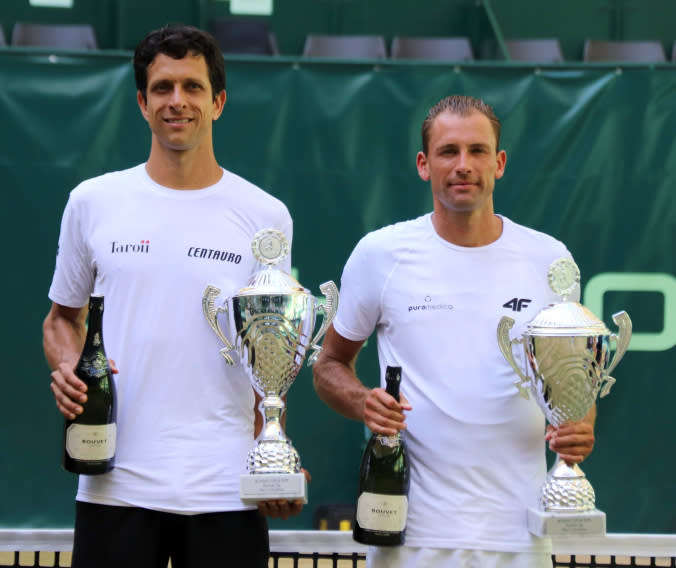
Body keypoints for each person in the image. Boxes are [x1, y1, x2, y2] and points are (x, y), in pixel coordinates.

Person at [43, 24, 304, 568]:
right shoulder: (92, 202)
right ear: (142, 103)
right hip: (114, 485)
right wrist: (71, 366)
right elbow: (61, 318)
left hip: (224, 490)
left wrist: (271, 455)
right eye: (162, 88)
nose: (177, 102)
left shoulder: (265, 216)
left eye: (192, 87)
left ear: (219, 101)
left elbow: (268, 355)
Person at [312, 95, 596, 568]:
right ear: (424, 164)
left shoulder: (550, 260)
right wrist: (364, 402)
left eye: (478, 151)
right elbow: (329, 364)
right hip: (409, 539)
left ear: (499, 163)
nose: (463, 165)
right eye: (448, 152)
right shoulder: (380, 254)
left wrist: (580, 425)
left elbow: (575, 379)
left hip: (520, 537)